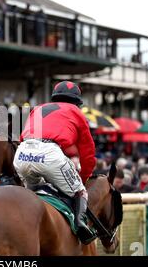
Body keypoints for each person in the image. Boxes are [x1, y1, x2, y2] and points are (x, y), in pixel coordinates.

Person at [13, 80, 96, 244]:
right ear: (77, 102)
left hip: (22, 153)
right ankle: (81, 226)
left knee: (32, 194)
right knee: (80, 192)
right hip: (49, 154)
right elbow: (88, 153)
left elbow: (22, 137)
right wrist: (82, 180)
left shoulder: (37, 108)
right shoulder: (77, 113)